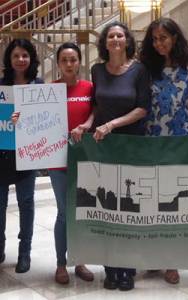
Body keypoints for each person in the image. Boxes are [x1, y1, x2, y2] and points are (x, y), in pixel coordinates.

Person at [139, 17, 188, 285]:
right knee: (151, 199)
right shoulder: (147, 66)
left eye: (163, 37)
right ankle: (153, 257)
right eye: (154, 39)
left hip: (181, 136)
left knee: (173, 200)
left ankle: (171, 259)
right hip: (152, 136)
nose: (159, 43)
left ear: (175, 37)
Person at [91, 21, 150, 291]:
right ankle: (110, 266)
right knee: (106, 207)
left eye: (120, 35)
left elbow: (142, 109)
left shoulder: (139, 70)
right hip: (104, 148)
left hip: (131, 145)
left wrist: (111, 124)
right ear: (105, 42)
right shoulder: (97, 70)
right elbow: (96, 106)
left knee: (128, 208)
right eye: (111, 36)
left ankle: (127, 266)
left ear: (127, 41)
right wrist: (87, 124)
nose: (115, 39)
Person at [49, 42, 95, 284]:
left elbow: (97, 112)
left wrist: (87, 123)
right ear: (58, 64)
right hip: (58, 162)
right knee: (64, 213)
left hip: (84, 159)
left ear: (79, 62)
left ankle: (80, 261)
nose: (69, 64)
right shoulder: (49, 90)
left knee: (82, 213)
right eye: (64, 60)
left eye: (73, 59)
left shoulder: (89, 87)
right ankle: (60, 263)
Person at [0, 38, 43, 273]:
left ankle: (24, 253)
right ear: (9, 59)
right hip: (2, 154)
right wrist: (8, 119)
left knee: (26, 204)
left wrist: (26, 119)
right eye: (16, 55)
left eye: (25, 55)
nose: (20, 60)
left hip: (28, 156)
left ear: (31, 59)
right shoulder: (0, 86)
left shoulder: (38, 85)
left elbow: (44, 121)